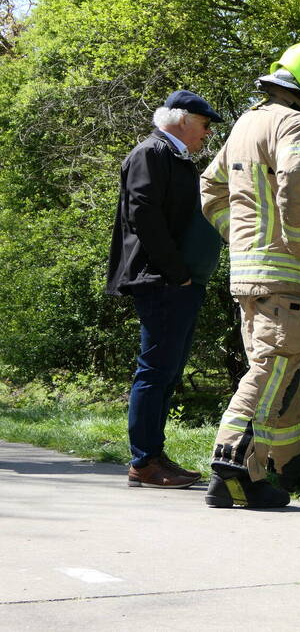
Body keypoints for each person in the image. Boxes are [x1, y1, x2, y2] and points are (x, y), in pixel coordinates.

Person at [200, 42, 300, 509]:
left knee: (283, 368)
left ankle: (293, 465)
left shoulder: (247, 123)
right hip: (286, 274)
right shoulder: (294, 122)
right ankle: (234, 470)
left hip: (250, 274)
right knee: (273, 367)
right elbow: (296, 176)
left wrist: (238, 240)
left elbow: (210, 186)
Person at [106, 90, 224, 489]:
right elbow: (143, 214)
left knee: (168, 371)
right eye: (205, 125)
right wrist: (177, 273)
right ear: (182, 119)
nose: (207, 133)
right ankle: (144, 462)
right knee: (155, 371)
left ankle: (154, 456)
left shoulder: (174, 157)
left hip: (178, 280)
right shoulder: (151, 152)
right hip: (161, 280)